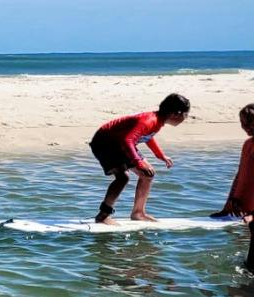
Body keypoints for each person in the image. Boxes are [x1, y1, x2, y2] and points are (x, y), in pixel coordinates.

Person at [89, 93, 190, 224]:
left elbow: (148, 136)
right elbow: (128, 140)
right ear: (175, 114)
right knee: (123, 177)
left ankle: (138, 213)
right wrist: (138, 162)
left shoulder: (157, 120)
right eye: (185, 115)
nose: (186, 118)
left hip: (120, 143)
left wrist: (160, 155)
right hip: (105, 143)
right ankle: (103, 215)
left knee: (147, 174)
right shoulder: (149, 120)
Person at [211, 103, 254, 219]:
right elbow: (240, 176)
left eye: (248, 122)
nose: (244, 126)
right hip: (241, 209)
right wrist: (229, 205)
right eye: (242, 122)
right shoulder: (247, 144)